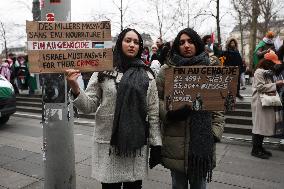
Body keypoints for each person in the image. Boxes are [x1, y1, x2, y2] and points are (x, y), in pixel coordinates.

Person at [66, 28, 162, 189]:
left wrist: (156, 143)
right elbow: (89, 106)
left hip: (135, 147)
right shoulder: (103, 71)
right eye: (128, 40)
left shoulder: (148, 75)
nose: (132, 45)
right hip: (109, 145)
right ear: (119, 43)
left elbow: (152, 112)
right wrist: (75, 87)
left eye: (136, 42)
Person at [156, 28, 224, 189]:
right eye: (181, 42)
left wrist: (214, 132)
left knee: (199, 185)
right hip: (175, 141)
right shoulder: (167, 70)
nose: (186, 45)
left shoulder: (211, 69)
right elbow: (155, 99)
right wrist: (170, 114)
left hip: (202, 142)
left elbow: (219, 107)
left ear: (197, 44)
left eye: (190, 41)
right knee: (177, 185)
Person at [251, 50, 284, 159]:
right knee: (259, 126)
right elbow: (260, 87)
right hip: (259, 102)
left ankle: (259, 147)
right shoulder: (259, 72)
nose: (274, 64)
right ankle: (255, 149)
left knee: (263, 126)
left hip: (265, 101)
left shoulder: (267, 72)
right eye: (273, 62)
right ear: (268, 62)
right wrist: (276, 84)